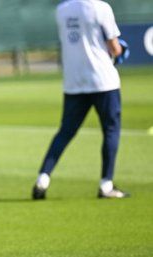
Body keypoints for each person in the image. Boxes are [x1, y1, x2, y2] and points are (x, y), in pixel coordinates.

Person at [32, 0, 130, 200]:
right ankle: (106, 184)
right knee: (111, 130)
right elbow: (115, 48)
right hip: (103, 81)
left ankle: (43, 179)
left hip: (74, 81)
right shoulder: (101, 7)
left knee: (65, 132)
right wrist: (121, 49)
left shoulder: (62, 10)